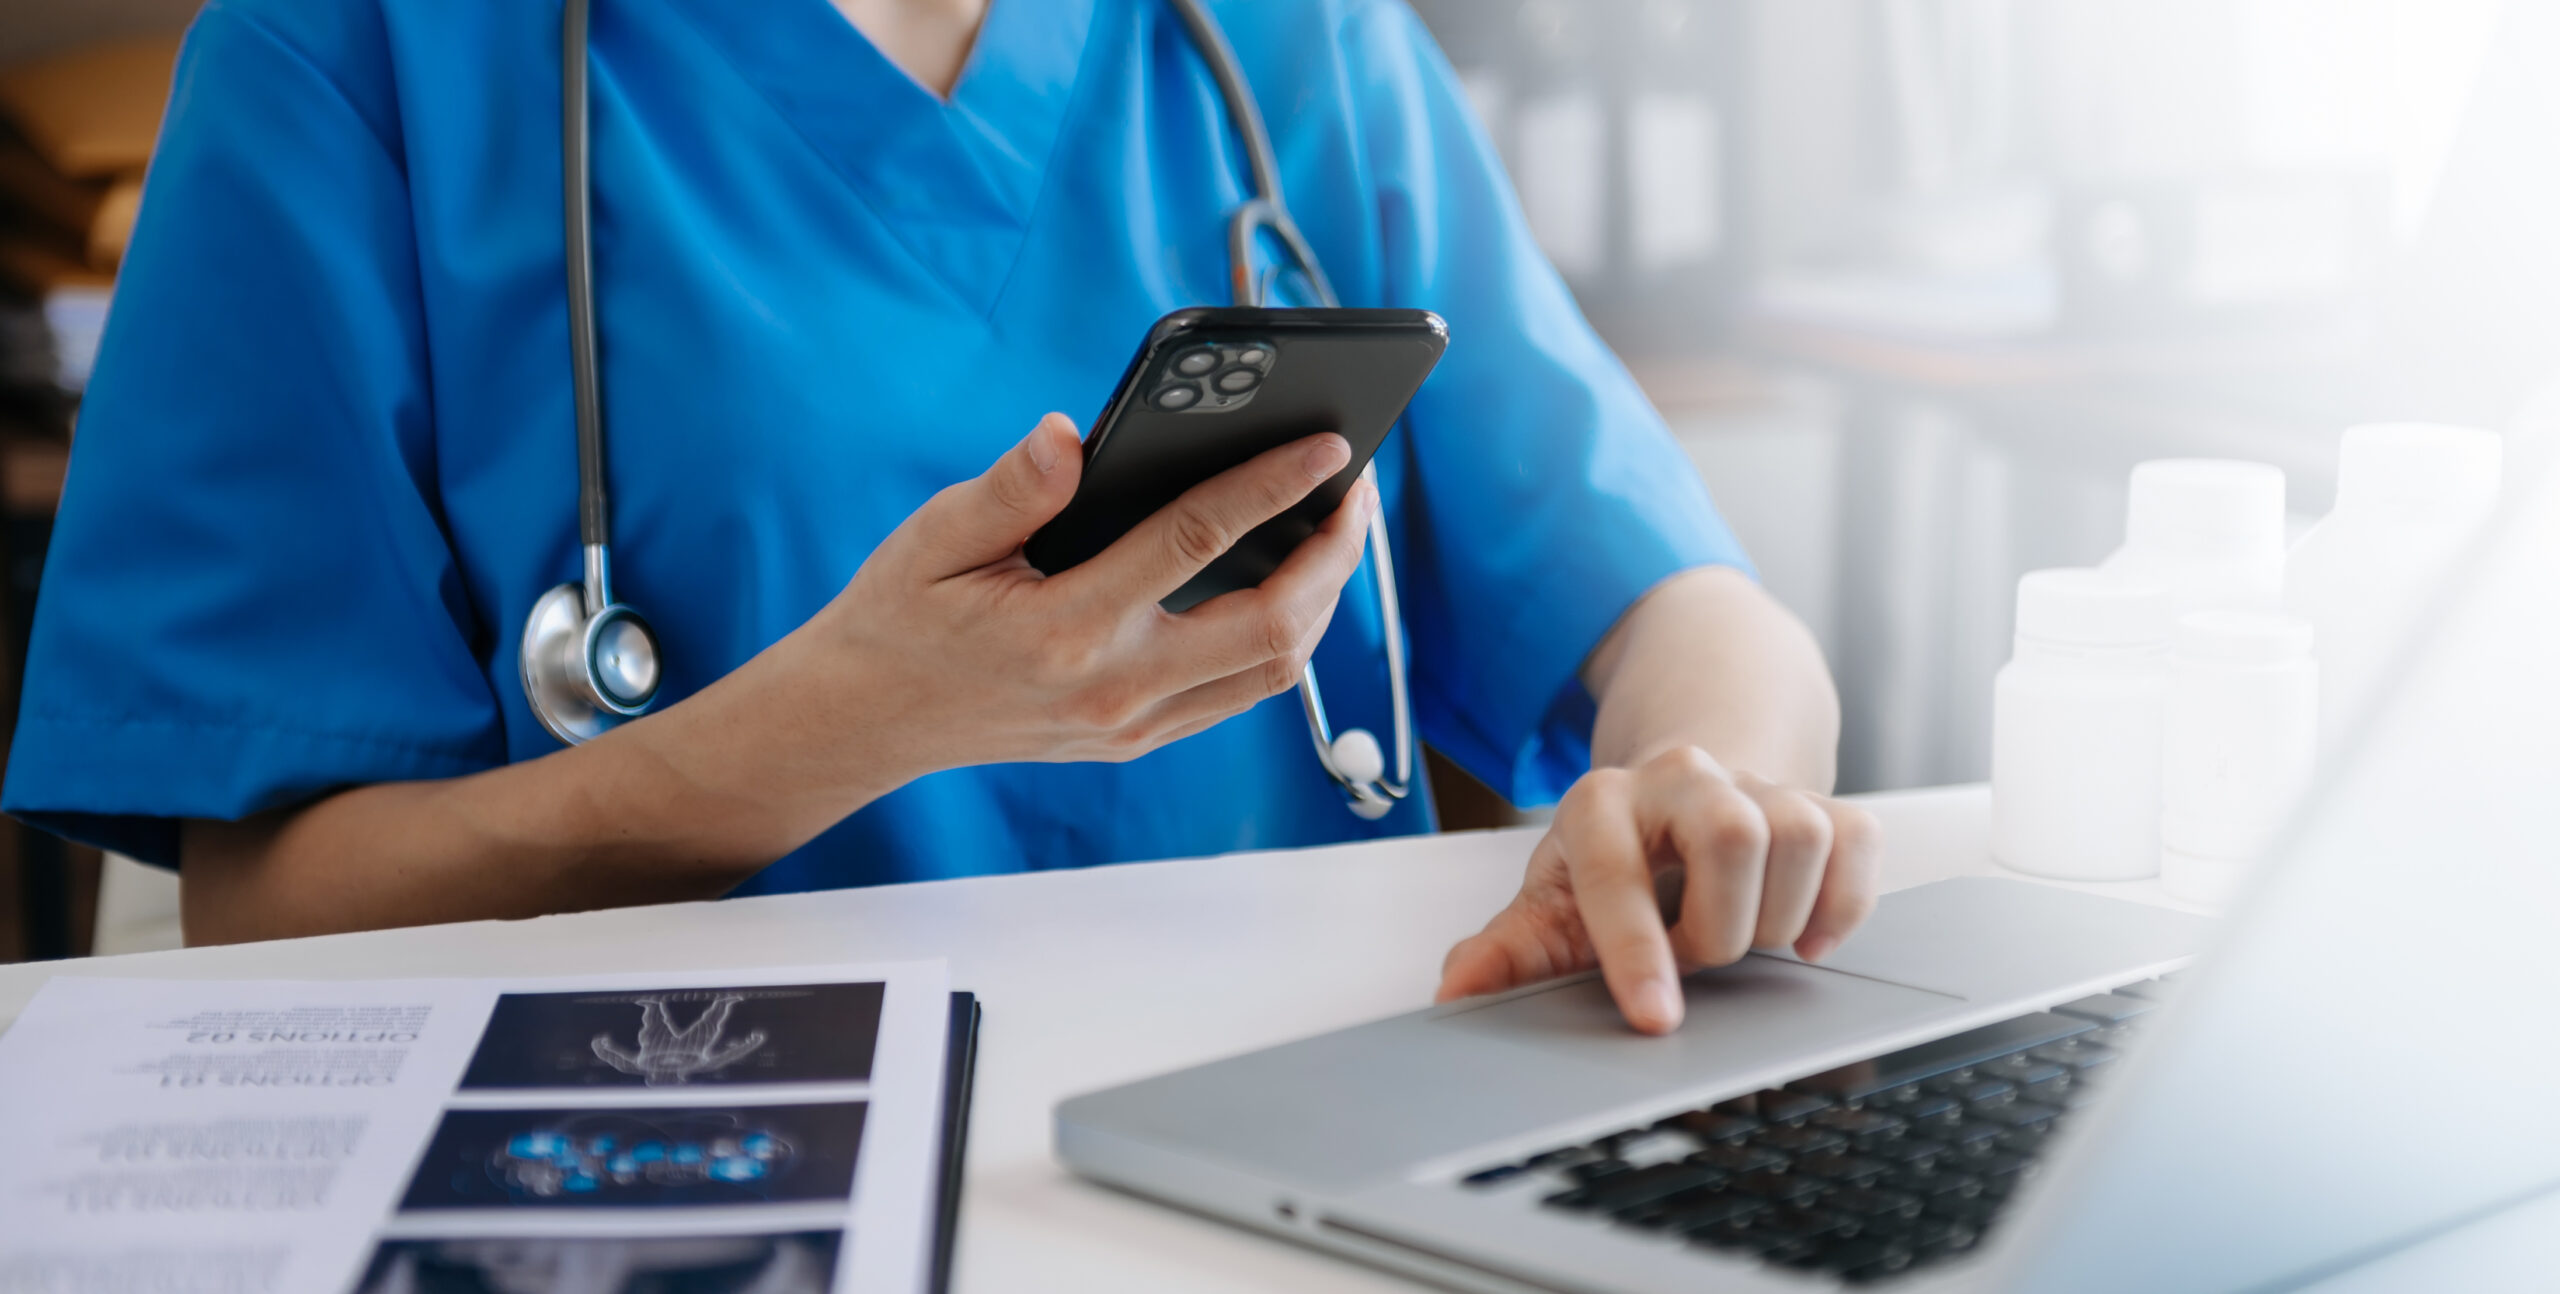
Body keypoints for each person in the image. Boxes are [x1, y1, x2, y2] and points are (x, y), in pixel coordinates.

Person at [1, 0, 1875, 1035]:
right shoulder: (357, 51)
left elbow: (1684, 610)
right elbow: (264, 913)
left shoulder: (1273, 37)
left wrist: (1695, 783)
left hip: (1252, 1152)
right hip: (667, 1188)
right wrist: (833, 732)